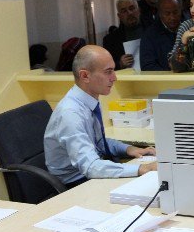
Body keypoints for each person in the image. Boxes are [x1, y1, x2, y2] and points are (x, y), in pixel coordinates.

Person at [44, 45, 157, 188]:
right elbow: (91, 167)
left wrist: (128, 149)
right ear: (85, 76)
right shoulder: (70, 114)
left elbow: (96, 141)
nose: (114, 78)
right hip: (75, 183)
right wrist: (142, 169)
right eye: (108, 72)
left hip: (90, 172)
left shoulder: (89, 100)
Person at [140, 0, 182, 71]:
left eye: (175, 12)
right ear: (159, 14)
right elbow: (147, 66)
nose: (172, 17)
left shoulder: (189, 28)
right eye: (167, 13)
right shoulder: (149, 35)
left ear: (180, 11)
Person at [103, 0, 144, 70]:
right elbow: (106, 68)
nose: (129, 13)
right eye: (124, 11)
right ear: (119, 16)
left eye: (132, 8)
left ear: (138, 10)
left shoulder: (153, 32)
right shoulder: (110, 40)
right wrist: (119, 64)